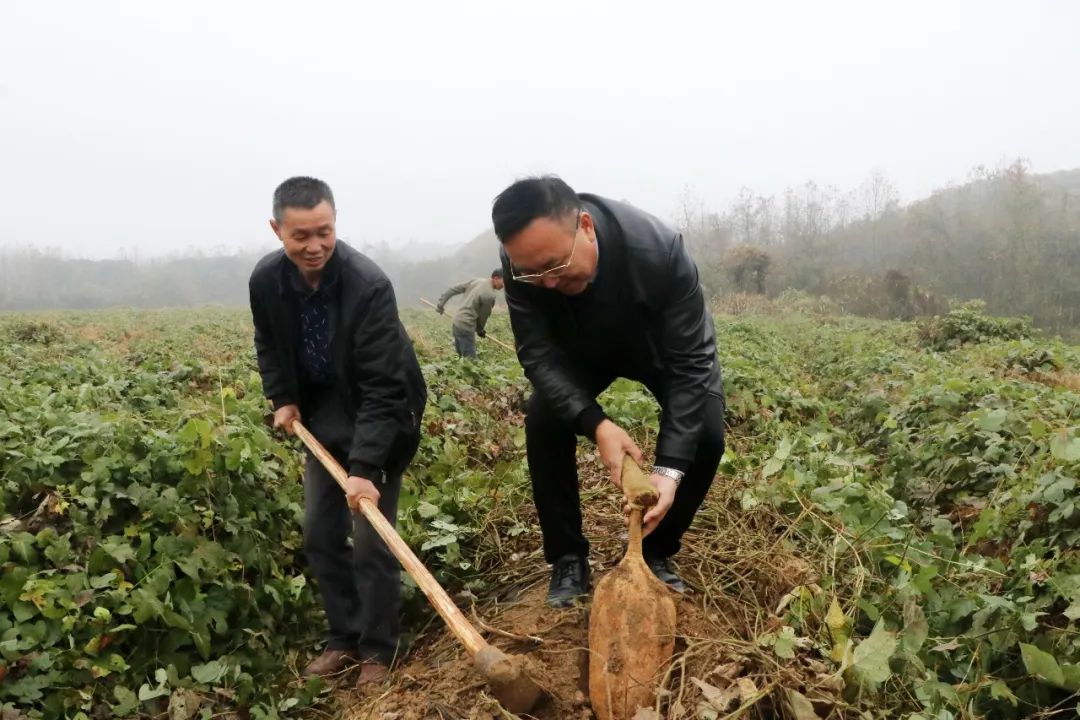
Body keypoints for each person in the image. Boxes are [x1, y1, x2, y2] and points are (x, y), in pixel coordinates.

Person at [491, 175, 725, 607]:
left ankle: (653, 552)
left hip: (659, 350)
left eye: (555, 266)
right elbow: (537, 355)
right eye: (532, 273)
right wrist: (596, 424)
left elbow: (691, 365)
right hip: (582, 348)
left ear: (585, 226)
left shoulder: (659, 251)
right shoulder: (521, 264)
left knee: (706, 436)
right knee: (545, 420)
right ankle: (567, 559)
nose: (546, 282)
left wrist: (669, 470)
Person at [248, 177, 427, 685]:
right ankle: (344, 637)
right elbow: (268, 341)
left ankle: (378, 650)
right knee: (321, 534)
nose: (315, 246)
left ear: (335, 223)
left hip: (384, 415)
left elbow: (384, 387)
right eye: (300, 235)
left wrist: (365, 468)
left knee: (372, 540)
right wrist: (282, 396)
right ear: (277, 230)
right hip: (322, 416)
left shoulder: (368, 285)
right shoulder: (266, 280)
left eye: (323, 232)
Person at [435, 269, 505, 358]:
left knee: (461, 358)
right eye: (504, 281)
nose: (504, 285)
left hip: (457, 322)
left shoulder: (476, 281)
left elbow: (453, 289)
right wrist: (480, 330)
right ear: (496, 278)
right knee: (470, 361)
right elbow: (483, 316)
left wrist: (440, 304)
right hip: (466, 326)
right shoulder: (489, 295)